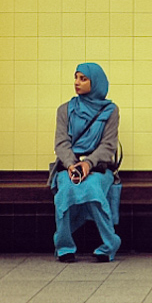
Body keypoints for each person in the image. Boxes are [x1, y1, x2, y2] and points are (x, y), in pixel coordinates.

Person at [49, 62, 122, 263]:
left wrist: (88, 164)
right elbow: (61, 142)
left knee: (92, 188)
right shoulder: (65, 110)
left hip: (98, 168)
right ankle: (64, 246)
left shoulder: (110, 111)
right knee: (65, 191)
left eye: (83, 79)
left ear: (95, 82)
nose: (77, 83)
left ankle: (109, 243)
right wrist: (72, 165)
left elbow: (108, 145)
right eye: (76, 78)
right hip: (69, 166)